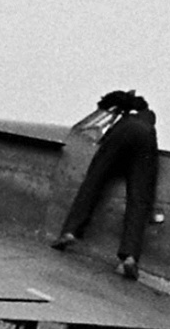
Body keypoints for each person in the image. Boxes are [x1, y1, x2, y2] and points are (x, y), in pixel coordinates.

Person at [53, 89, 160, 280]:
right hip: (146, 139)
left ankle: (70, 232)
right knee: (138, 199)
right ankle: (129, 257)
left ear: (118, 110)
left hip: (121, 136)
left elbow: (103, 143)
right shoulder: (147, 121)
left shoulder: (123, 120)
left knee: (93, 182)